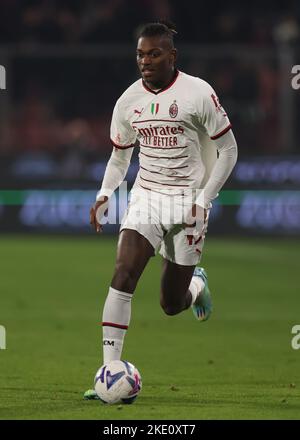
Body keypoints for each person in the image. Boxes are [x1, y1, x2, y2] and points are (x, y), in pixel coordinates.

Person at [84, 22, 238, 399]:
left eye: (154, 54)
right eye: (140, 54)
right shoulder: (128, 101)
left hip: (189, 202)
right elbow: (120, 156)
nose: (145, 61)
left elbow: (229, 151)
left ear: (173, 56)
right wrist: (106, 192)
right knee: (123, 273)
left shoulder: (198, 93)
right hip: (147, 198)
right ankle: (109, 372)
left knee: (171, 304)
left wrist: (205, 200)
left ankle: (196, 285)